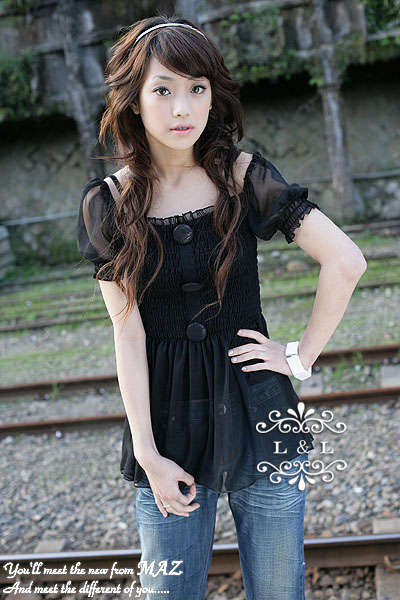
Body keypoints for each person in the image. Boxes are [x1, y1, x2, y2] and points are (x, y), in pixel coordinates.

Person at [77, 14, 367, 600]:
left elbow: (346, 260)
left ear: (214, 96)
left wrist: (299, 357)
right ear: (133, 100)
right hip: (166, 428)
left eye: (197, 88)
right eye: (163, 90)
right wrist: (147, 454)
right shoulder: (109, 203)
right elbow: (127, 334)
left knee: (279, 590)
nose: (182, 107)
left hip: (261, 412)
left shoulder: (242, 177)